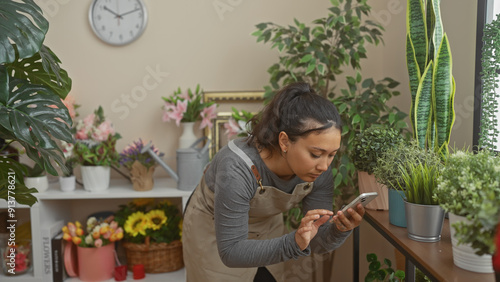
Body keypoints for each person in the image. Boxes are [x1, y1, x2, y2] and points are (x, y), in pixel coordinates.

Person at [182, 82, 365, 282]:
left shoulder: (319, 171)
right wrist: (293, 243)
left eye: (332, 155)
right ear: (284, 141)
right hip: (214, 231)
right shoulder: (236, 168)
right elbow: (231, 251)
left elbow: (316, 242)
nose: (324, 165)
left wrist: (339, 229)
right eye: (315, 154)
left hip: (267, 227)